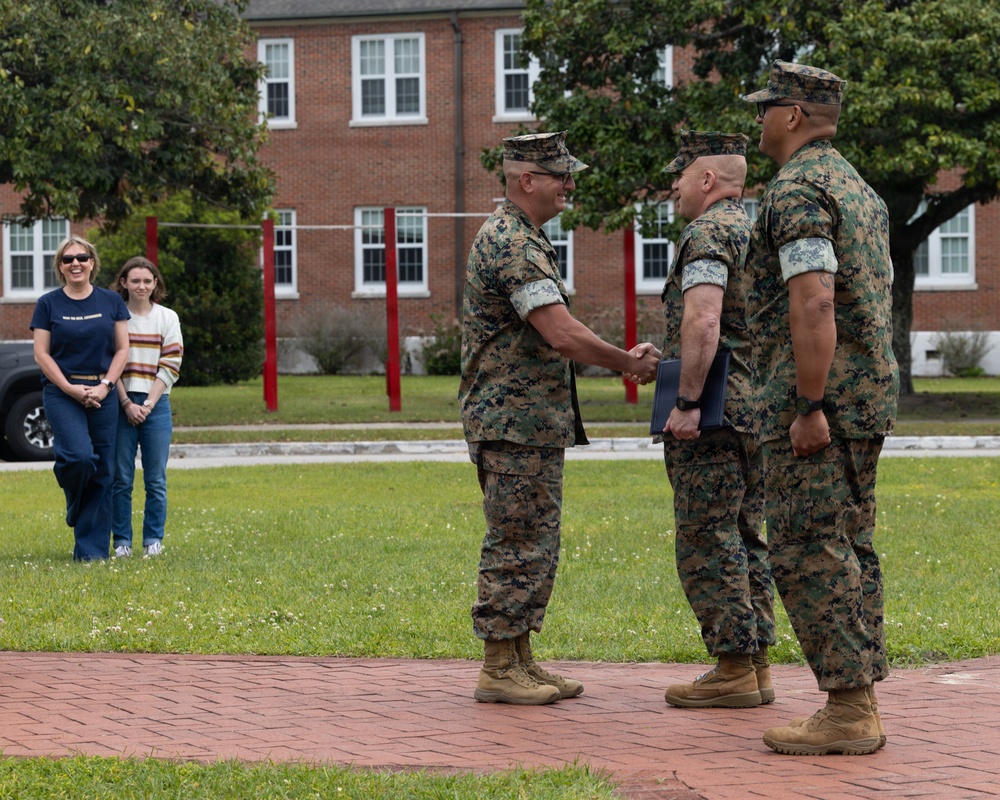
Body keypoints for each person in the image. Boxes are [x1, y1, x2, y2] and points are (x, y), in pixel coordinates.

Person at [460, 131, 660, 705]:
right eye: (560, 175)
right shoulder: (512, 242)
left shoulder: (526, 237)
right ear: (527, 180)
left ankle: (519, 657)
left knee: (536, 539)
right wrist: (627, 362)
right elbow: (560, 332)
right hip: (512, 423)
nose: (570, 184)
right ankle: (498, 667)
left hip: (528, 423)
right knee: (516, 541)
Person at [742, 60, 899, 755]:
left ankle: (847, 708)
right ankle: (858, 696)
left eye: (765, 107)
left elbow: (814, 302)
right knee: (851, 545)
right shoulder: (858, 188)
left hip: (821, 406)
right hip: (865, 398)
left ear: (794, 115)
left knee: (810, 548)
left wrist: (809, 403)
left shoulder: (798, 189)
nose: (758, 120)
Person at [654, 131, 777, 709]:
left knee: (707, 537)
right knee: (747, 537)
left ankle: (732, 668)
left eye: (679, 177)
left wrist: (685, 403)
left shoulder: (707, 233)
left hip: (715, 415)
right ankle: (756, 664)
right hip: (754, 409)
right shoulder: (752, 231)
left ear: (706, 180)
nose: (673, 189)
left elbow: (704, 320)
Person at [30, 236, 130, 561]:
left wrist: (106, 385)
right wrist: (69, 388)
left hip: (103, 392)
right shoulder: (48, 303)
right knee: (79, 457)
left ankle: (91, 554)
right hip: (62, 392)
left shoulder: (111, 300)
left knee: (103, 472)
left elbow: (122, 349)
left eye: (82, 257)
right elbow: (41, 354)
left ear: (92, 263)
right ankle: (74, 502)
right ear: (60, 266)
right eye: (68, 259)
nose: (76, 263)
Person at [110, 257, 184, 558]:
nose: (141, 286)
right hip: (120, 403)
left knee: (155, 480)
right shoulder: (115, 316)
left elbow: (171, 364)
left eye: (147, 281)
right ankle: (122, 542)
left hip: (156, 403)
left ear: (155, 284)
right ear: (124, 283)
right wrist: (127, 402)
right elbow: (108, 363)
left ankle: (153, 540)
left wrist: (148, 404)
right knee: (121, 479)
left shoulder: (167, 317)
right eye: (135, 280)